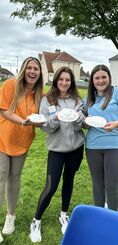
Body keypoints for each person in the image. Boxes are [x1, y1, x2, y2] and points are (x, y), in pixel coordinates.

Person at [29, 66, 85, 243]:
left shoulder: (77, 99)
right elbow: (45, 126)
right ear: (56, 81)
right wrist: (57, 118)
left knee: (69, 181)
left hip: (76, 149)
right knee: (51, 186)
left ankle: (64, 215)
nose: (64, 83)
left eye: (67, 80)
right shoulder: (48, 100)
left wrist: (76, 119)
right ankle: (36, 220)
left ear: (71, 82)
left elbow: (81, 124)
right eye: (61, 79)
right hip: (56, 150)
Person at [0, 57, 43, 242]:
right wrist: (22, 121)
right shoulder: (10, 84)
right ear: (23, 69)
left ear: (40, 73)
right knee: (1, 176)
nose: (32, 71)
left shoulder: (39, 94)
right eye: (29, 68)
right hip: (2, 138)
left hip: (22, 142)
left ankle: (11, 216)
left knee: (14, 177)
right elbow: (2, 110)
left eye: (36, 69)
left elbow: (42, 117)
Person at [84, 64, 118, 211]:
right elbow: (87, 123)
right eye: (97, 78)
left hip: (117, 146)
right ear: (92, 80)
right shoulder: (88, 98)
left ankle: (112, 217)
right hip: (93, 146)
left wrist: (116, 124)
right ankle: (100, 214)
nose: (100, 81)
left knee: (112, 186)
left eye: (103, 77)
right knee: (98, 184)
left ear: (109, 78)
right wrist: (84, 122)